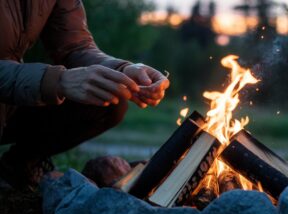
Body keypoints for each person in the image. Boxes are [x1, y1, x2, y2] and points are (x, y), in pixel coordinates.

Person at [0, 0, 169, 191]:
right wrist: (58, 81)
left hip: (10, 104)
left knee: (108, 97)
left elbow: (75, 47)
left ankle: (18, 166)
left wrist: (123, 69)